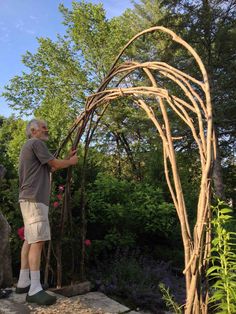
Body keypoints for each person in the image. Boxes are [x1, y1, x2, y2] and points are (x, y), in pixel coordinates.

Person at [15, 119, 78, 306]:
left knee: (29, 239)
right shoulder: (36, 143)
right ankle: (34, 288)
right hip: (35, 199)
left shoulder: (32, 147)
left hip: (28, 198)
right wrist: (71, 162)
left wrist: (66, 158)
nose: (46, 130)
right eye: (43, 127)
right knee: (38, 241)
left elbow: (50, 166)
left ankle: (23, 281)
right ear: (33, 131)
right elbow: (56, 165)